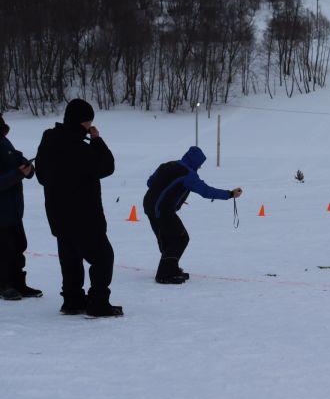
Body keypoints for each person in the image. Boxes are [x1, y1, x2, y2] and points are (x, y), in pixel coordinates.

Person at [35, 99, 122, 317]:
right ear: (82, 122)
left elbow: (42, 176)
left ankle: (73, 300)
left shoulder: (49, 140)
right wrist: (97, 140)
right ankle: (99, 302)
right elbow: (106, 166)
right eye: (88, 121)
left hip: (57, 214)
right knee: (103, 257)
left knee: (71, 258)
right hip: (84, 215)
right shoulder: (78, 146)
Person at [143, 146, 242, 284]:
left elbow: (150, 182)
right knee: (180, 238)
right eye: (200, 165)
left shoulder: (167, 165)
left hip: (149, 205)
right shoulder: (188, 174)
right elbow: (206, 191)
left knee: (167, 238)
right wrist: (230, 194)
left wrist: (170, 193)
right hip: (162, 209)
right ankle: (164, 274)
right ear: (196, 162)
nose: (200, 167)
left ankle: (171, 269)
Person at [0, 114, 42, 300]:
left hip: (13, 208)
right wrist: (17, 174)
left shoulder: (4, 142)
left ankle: (18, 283)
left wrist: (27, 167)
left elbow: (16, 157)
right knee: (4, 249)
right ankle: (4, 285)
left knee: (18, 246)